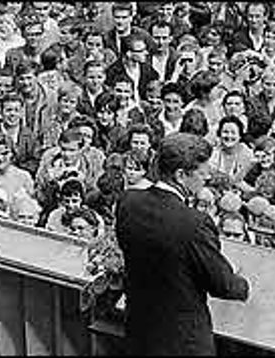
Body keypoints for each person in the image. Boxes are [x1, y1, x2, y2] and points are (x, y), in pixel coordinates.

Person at [115, 132, 249, 355]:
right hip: (183, 342)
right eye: (202, 172)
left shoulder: (128, 202)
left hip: (140, 332)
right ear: (180, 175)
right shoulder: (194, 223)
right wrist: (243, 284)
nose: (206, 178)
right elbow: (223, 285)